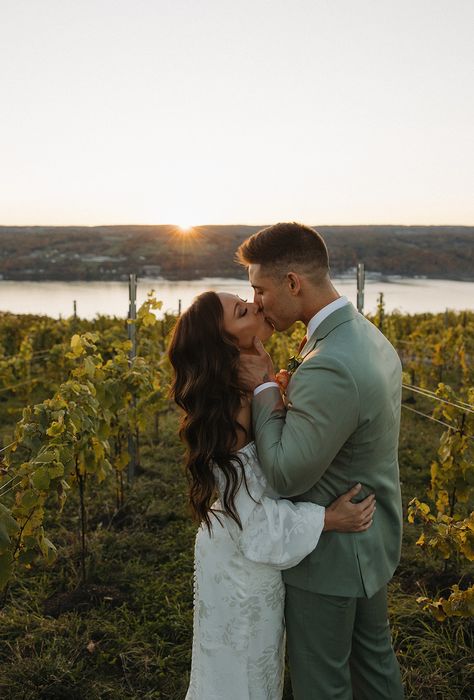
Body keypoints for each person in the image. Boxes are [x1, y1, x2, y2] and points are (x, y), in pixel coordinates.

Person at [167, 290, 377, 700]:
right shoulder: (234, 413)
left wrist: (270, 388)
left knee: (242, 666)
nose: (257, 306)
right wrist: (328, 519)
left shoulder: (238, 395)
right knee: (244, 671)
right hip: (243, 562)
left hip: (231, 550)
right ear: (226, 343)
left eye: (249, 299)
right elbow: (254, 523)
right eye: (243, 312)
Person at [236, 222, 405, 700]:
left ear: (293, 282)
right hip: (370, 537)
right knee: (374, 667)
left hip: (330, 556)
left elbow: (287, 475)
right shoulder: (364, 334)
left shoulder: (330, 361)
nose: (257, 302)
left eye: (260, 289)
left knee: (321, 684)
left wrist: (265, 387)